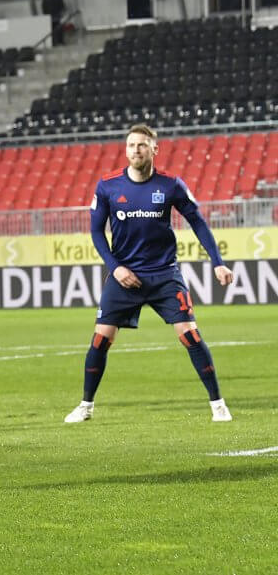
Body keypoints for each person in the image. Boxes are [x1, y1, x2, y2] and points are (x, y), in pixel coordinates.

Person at [65, 124, 235, 424]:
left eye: (142, 145)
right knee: (100, 340)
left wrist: (218, 261)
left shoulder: (171, 185)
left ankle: (218, 404)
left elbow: (197, 222)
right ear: (125, 149)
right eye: (131, 145)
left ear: (154, 149)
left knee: (190, 335)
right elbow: (95, 231)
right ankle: (86, 406)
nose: (136, 150)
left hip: (164, 275)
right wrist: (115, 267)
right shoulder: (108, 186)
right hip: (124, 277)